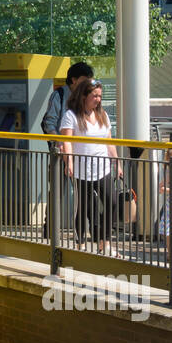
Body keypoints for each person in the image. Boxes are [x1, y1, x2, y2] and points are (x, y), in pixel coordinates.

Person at [60, 77, 123, 256]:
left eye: (100, 96)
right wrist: (69, 162)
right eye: (94, 96)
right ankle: (81, 242)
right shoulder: (71, 116)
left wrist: (116, 162)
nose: (98, 99)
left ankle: (105, 241)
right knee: (84, 206)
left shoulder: (103, 115)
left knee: (111, 202)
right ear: (83, 96)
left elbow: (109, 141)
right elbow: (67, 141)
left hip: (102, 167)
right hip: (82, 169)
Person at [42, 62, 94, 237]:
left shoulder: (87, 97)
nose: (88, 85)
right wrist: (59, 144)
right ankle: (49, 230)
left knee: (85, 192)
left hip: (81, 154)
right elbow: (49, 122)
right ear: (73, 80)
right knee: (57, 190)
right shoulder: (59, 95)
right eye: (84, 80)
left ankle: (91, 230)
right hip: (60, 154)